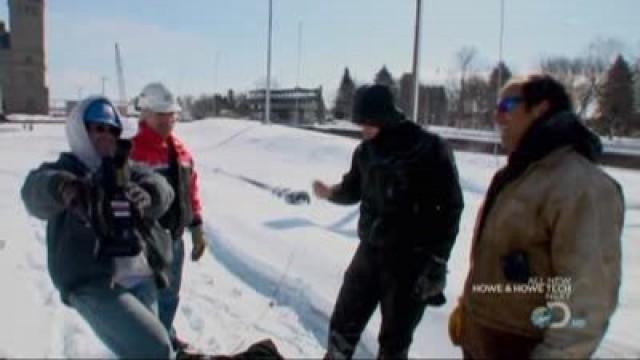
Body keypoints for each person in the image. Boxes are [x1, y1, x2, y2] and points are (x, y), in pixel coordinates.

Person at [450, 74, 625, 358]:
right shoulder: (516, 177)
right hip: (485, 343)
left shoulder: (581, 185)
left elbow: (586, 297)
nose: (498, 117)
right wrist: (469, 311)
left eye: (506, 106)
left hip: (526, 345)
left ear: (541, 109)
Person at [313, 84, 464, 359]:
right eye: (360, 123)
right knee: (342, 326)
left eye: (367, 123)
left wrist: (438, 260)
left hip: (410, 263)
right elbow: (353, 189)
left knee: (394, 343)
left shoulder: (429, 148)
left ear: (384, 116)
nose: (363, 129)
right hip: (369, 254)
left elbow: (452, 207)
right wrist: (331, 192)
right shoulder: (365, 152)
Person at [21, 96, 176, 358]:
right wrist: (63, 189)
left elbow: (163, 187)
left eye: (112, 130)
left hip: (142, 278)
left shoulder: (125, 168)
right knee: (156, 350)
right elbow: (33, 191)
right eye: (98, 128)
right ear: (81, 130)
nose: (106, 135)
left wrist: (149, 194)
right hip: (94, 284)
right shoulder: (66, 169)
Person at [131, 82, 208, 351]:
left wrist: (197, 226)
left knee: (170, 294)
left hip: (174, 239)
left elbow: (191, 191)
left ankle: (165, 335)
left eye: (171, 114)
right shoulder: (132, 151)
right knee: (145, 296)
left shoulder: (182, 151)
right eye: (161, 114)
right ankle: (149, 346)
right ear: (145, 114)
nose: (168, 120)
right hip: (143, 242)